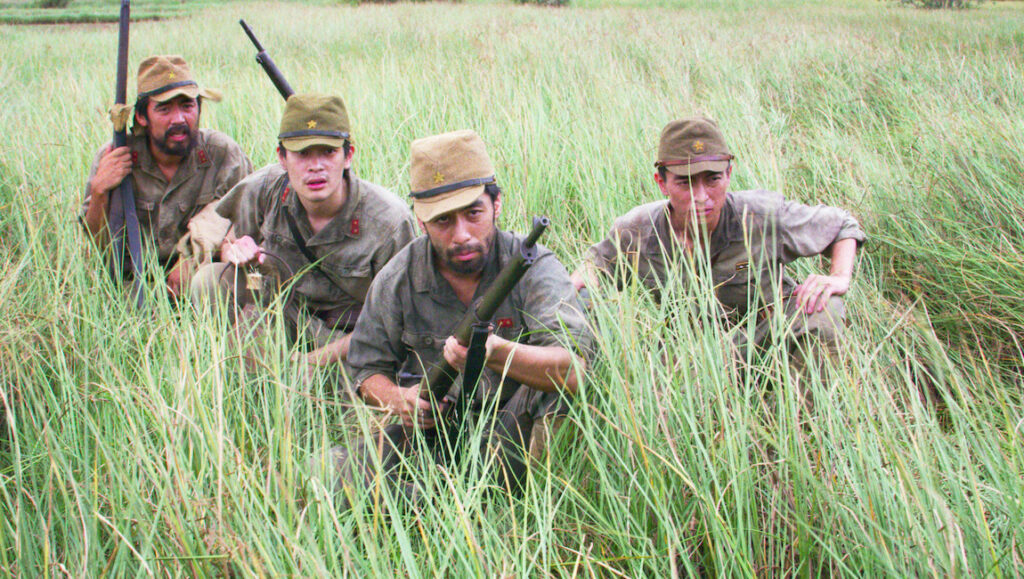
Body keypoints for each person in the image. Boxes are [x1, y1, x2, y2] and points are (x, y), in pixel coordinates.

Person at [329, 129, 591, 498]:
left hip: (516, 429)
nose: (462, 235)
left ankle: (508, 499)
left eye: (473, 214)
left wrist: (499, 353)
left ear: (496, 205)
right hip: (436, 429)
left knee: (555, 395)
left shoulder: (535, 266)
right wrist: (397, 400)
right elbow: (366, 368)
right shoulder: (398, 277)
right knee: (326, 472)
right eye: (443, 222)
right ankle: (438, 499)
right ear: (421, 223)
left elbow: (574, 369)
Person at [573, 115, 866, 356]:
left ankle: (806, 420)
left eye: (713, 179)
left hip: (768, 338)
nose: (702, 197)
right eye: (685, 182)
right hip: (690, 353)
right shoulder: (636, 230)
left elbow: (842, 225)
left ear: (728, 174)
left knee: (825, 311)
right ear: (661, 183)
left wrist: (839, 277)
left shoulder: (762, 214)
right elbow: (594, 266)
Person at [193, 93, 416, 368]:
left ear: (348, 156)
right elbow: (229, 237)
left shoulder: (390, 223)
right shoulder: (264, 188)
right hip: (285, 310)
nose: (316, 166)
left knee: (344, 388)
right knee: (210, 280)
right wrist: (234, 252)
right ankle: (225, 367)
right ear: (282, 158)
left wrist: (310, 362)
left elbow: (396, 323)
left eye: (328, 151)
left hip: (351, 338)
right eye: (302, 153)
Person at [82, 55, 253, 297]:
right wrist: (100, 190)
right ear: (142, 117)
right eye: (164, 109)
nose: (179, 119)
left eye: (187, 106)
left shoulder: (221, 153)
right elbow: (98, 243)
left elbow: (249, 218)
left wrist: (192, 258)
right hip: (134, 286)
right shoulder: (114, 157)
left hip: (200, 280)